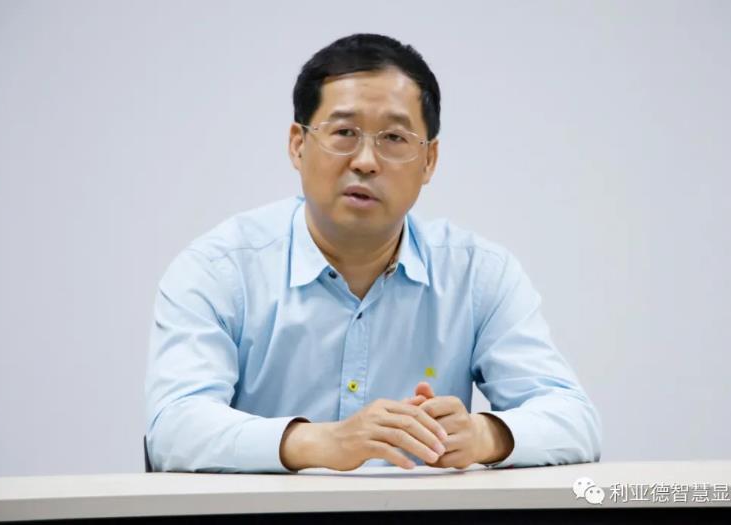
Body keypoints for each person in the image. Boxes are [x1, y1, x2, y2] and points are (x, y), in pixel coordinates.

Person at [144, 33, 602, 473]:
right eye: (344, 132)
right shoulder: (218, 270)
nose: (365, 161)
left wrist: (484, 435)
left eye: (394, 138)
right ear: (298, 145)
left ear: (429, 161)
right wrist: (321, 443)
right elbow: (173, 428)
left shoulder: (479, 275)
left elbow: (574, 418)